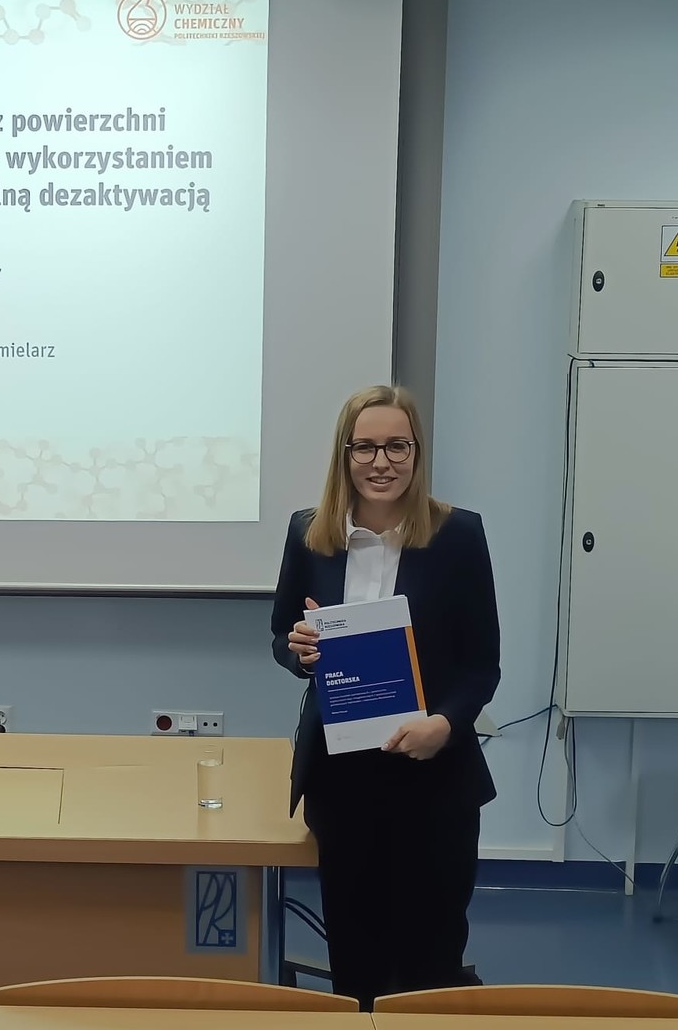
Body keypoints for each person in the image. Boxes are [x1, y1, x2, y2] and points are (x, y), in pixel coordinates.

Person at [270, 384, 500, 1010]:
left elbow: (482, 664)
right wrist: (299, 649)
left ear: (416, 452)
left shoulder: (458, 535)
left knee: (431, 958)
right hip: (342, 779)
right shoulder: (309, 533)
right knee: (356, 958)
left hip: (434, 778)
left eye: (397, 446)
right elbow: (283, 637)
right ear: (344, 455)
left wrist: (444, 725)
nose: (381, 462)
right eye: (365, 447)